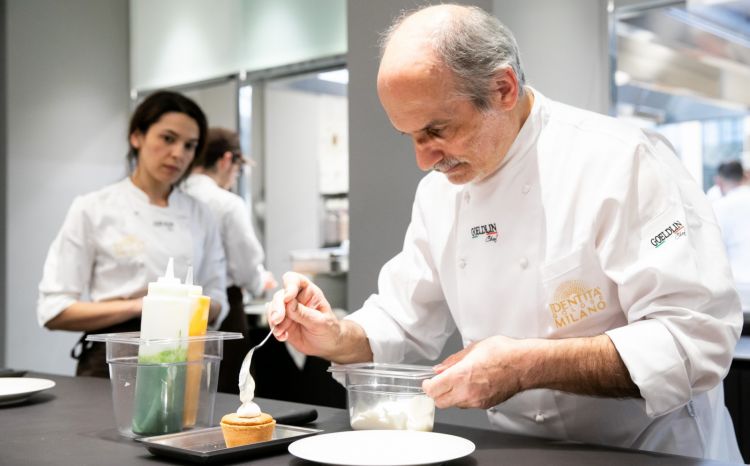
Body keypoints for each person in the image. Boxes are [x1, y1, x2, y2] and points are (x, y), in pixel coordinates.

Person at [265, 4, 743, 462]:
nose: (423, 159)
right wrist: (334, 334)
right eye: (409, 136)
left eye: (437, 129)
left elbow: (695, 339)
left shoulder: (622, 162)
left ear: (503, 89)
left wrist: (525, 365)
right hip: (524, 453)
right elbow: (402, 322)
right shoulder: (440, 195)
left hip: (653, 452)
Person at [37, 91, 228, 377]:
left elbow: (217, 299)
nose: (178, 154)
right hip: (114, 362)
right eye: (168, 138)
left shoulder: (201, 214)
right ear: (137, 137)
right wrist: (144, 306)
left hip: (186, 362)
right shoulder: (94, 208)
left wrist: (183, 308)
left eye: (190, 145)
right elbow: (54, 310)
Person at [183, 127, 276, 393]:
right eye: (237, 169)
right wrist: (260, 281)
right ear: (226, 160)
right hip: (223, 311)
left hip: (173, 312)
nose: (235, 177)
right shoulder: (226, 203)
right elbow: (245, 266)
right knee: (226, 395)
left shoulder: (174, 198)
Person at [712, 160, 750, 311]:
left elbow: (714, 252)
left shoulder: (719, 207)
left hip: (738, 291)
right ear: (745, 176)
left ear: (719, 182)